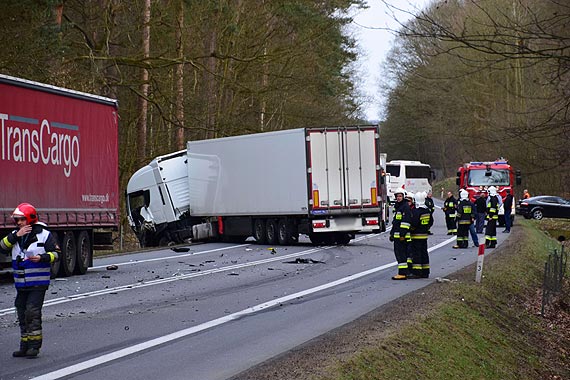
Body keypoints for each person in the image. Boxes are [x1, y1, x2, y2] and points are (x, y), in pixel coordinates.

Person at [0, 203, 60, 358]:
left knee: (32, 312)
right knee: (21, 312)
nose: (18, 223)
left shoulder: (44, 234)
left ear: (30, 219)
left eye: (21, 219)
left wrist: (42, 258)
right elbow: (2, 247)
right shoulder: (15, 235)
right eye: (17, 220)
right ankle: (24, 345)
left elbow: (56, 254)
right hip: (21, 283)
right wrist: (16, 236)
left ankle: (34, 346)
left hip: (38, 282)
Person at [408, 192, 433, 278]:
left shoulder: (416, 211)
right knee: (424, 253)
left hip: (416, 236)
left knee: (416, 254)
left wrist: (410, 230)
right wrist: (426, 228)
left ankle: (417, 272)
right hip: (424, 235)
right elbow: (431, 222)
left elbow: (414, 224)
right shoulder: (427, 210)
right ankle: (425, 272)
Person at [389, 188, 412, 280]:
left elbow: (406, 222)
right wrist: (392, 234)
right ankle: (404, 272)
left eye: (400, 196)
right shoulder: (398, 206)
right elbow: (395, 222)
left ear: (403, 196)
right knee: (399, 254)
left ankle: (402, 273)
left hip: (402, 236)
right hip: (397, 235)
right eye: (397, 196)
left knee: (401, 254)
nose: (398, 198)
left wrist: (402, 235)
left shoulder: (405, 207)